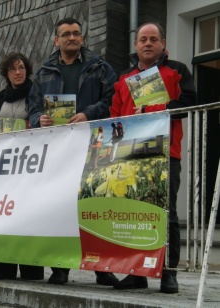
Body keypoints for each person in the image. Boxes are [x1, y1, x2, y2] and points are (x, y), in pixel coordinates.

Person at [28, 17, 118, 286]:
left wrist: (88, 114)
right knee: (60, 207)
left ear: (82, 38)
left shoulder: (100, 68)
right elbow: (32, 107)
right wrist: (38, 119)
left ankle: (102, 268)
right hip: (57, 149)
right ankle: (60, 267)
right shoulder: (43, 72)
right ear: (57, 40)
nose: (72, 38)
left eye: (76, 33)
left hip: (93, 144)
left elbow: (112, 100)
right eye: (66, 34)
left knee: (95, 205)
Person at [110, 22, 196, 293]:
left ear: (162, 43)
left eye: (153, 39)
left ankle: (168, 272)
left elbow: (189, 104)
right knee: (133, 214)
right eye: (142, 39)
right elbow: (114, 116)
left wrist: (152, 108)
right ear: (135, 46)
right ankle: (137, 272)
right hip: (130, 155)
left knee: (166, 214)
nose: (147, 43)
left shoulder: (177, 69)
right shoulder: (123, 77)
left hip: (166, 153)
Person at [0, 52, 44, 280]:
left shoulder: (36, 94)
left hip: (31, 169)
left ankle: (31, 268)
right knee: (3, 218)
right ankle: (1, 266)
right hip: (2, 172)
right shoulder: (0, 98)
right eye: (13, 69)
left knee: (28, 218)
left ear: (27, 70)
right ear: (6, 73)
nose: (18, 72)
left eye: (21, 68)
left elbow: (44, 123)